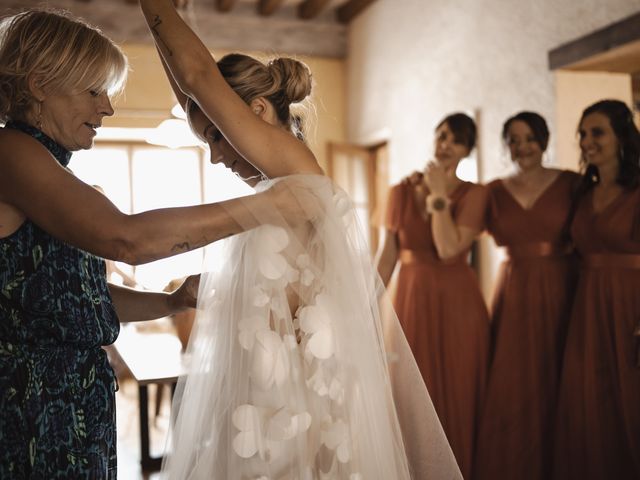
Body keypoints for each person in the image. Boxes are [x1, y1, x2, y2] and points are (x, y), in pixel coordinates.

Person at [138, 0, 463, 479]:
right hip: (267, 396)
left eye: (217, 136)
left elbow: (199, 79)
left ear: (256, 111)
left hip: (295, 404)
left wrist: (154, 7)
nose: (214, 157)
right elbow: (193, 87)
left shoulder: (294, 171)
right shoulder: (279, 185)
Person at [0, 8, 314, 479]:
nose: (106, 107)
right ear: (41, 84)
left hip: (72, 410)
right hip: (30, 413)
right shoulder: (11, 153)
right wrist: (266, 208)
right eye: (93, 91)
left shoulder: (48, 167)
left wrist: (173, 301)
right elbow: (126, 239)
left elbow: (79, 298)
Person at [375, 112, 490, 479]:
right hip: (410, 297)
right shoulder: (399, 192)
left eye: (455, 140)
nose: (445, 145)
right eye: (441, 136)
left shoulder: (475, 194)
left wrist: (439, 195)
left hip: (458, 302)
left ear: (467, 150)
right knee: (410, 389)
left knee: (458, 387)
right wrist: (361, 306)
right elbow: (387, 256)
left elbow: (447, 249)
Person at [473, 112, 579, 480]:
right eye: (514, 140)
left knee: (561, 374)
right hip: (513, 289)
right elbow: (460, 230)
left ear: (544, 141)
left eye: (529, 138)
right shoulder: (493, 191)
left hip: (562, 286)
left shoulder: (573, 184)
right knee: (512, 380)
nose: (522, 147)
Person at [553, 99, 640, 480]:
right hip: (586, 308)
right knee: (589, 401)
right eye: (583, 134)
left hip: (631, 306)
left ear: (622, 136)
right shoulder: (581, 195)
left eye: (598, 132)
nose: (587, 141)